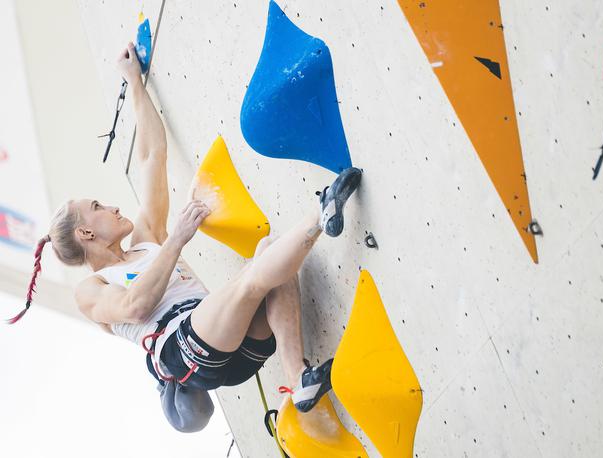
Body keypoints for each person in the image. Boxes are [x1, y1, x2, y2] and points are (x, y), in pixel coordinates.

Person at [9, 43, 362, 414]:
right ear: (85, 234)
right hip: (183, 350)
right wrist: (175, 239)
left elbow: (151, 156)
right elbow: (134, 306)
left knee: (270, 256)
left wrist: (134, 82)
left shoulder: (145, 240)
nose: (112, 206)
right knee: (251, 279)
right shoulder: (91, 289)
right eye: (97, 207)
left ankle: (299, 379)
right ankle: (319, 215)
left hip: (229, 339)